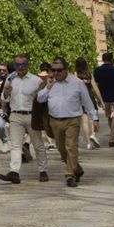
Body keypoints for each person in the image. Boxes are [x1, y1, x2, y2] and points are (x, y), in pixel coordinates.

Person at [36, 58, 99, 187]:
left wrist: (94, 118)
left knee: (71, 147)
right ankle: (77, 168)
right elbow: (40, 99)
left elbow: (87, 101)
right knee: (61, 149)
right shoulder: (49, 83)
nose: (56, 73)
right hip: (55, 121)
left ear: (66, 70)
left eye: (59, 70)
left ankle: (70, 175)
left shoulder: (77, 83)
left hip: (73, 119)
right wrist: (48, 87)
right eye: (53, 70)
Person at [0, 56, 48, 184]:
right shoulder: (10, 79)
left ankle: (43, 170)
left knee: (38, 145)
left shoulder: (36, 81)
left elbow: (43, 99)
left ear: (28, 65)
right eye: (17, 65)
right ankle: (14, 172)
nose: (20, 67)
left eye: (23, 64)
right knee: (15, 146)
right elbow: (4, 99)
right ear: (14, 66)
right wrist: (6, 94)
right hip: (15, 115)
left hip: (32, 115)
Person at [74, 58, 105, 150]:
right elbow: (95, 88)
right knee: (95, 118)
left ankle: (88, 143)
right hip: (90, 97)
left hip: (80, 98)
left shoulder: (75, 74)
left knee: (85, 121)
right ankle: (93, 134)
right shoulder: (89, 74)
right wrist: (101, 101)